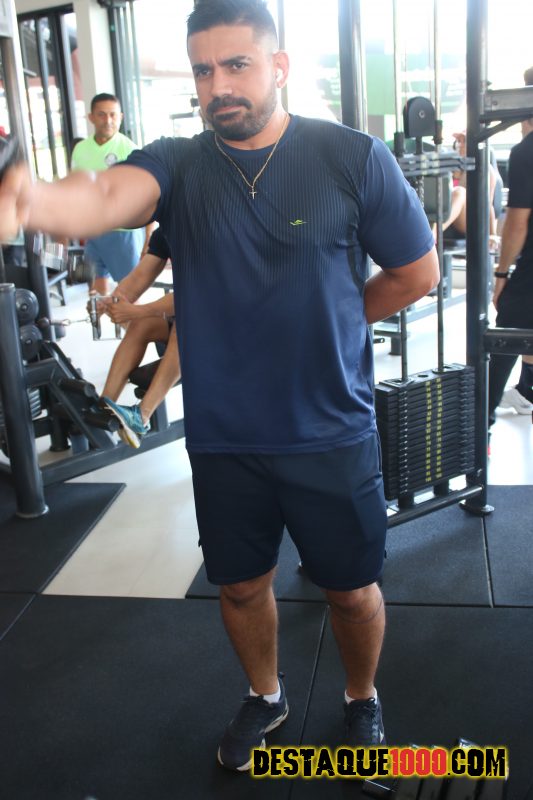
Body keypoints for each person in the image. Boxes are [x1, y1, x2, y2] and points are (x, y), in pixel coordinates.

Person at [0, 0, 439, 771]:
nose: (218, 85)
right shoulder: (178, 163)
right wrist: (32, 199)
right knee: (239, 587)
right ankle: (265, 696)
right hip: (224, 434)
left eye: (236, 64)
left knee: (350, 590)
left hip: (329, 427)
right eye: (203, 70)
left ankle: (360, 696)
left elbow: (416, 273)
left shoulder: (351, 156)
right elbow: (104, 197)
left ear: (279, 66)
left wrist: (334, 320)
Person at [97, 226, 181, 448]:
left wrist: (138, 310)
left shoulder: (210, 231)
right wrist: (113, 302)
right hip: (196, 311)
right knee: (142, 324)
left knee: (186, 325)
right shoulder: (167, 232)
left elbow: (193, 294)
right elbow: (138, 278)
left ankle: (140, 417)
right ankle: (104, 407)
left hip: (228, 320)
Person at [70, 93, 152, 295]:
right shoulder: (80, 149)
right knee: (96, 293)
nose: (108, 120)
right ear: (91, 117)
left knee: (129, 295)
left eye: (113, 115)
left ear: (120, 117)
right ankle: (100, 316)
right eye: (102, 114)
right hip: (94, 231)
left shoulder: (130, 149)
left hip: (123, 233)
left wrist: (149, 236)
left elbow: (148, 196)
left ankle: (129, 319)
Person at [488, 121, 533, 422]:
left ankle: (482, 426)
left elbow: (517, 222)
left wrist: (501, 275)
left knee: (508, 330)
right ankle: (527, 390)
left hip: (529, 272)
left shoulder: (526, 149)